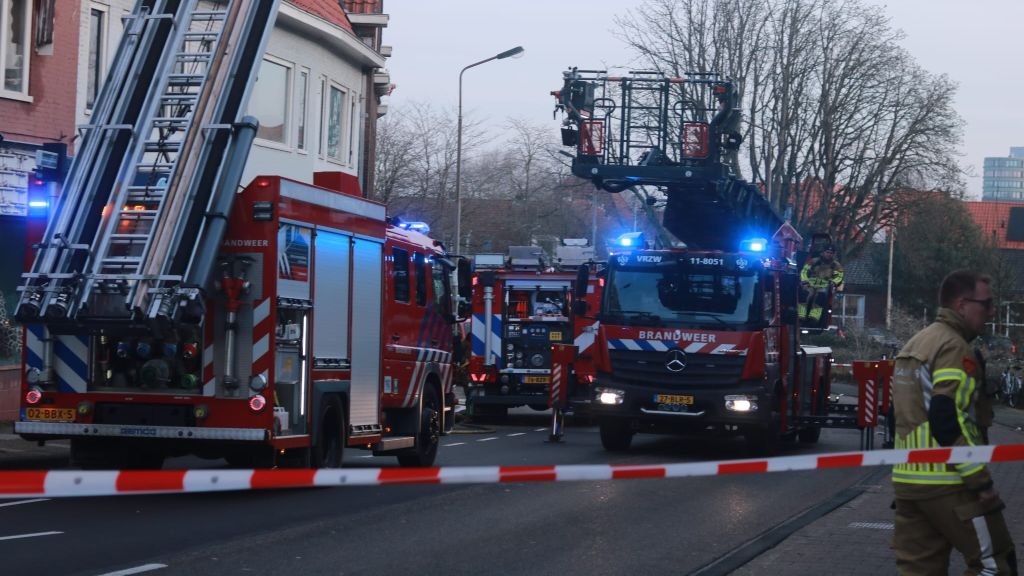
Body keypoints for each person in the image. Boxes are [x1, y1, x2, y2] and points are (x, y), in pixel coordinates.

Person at [891, 270, 1016, 575]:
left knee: (919, 570)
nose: (991, 312)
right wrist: (980, 482)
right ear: (962, 305)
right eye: (986, 305)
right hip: (949, 482)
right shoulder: (953, 347)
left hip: (909, 483)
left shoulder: (916, 344)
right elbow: (946, 417)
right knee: (996, 564)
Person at [798, 244, 844, 325]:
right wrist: (804, 280)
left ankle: (814, 318)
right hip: (810, 284)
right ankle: (801, 317)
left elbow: (839, 276)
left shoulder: (837, 265)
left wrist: (833, 282)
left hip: (824, 286)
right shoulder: (813, 261)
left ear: (833, 254)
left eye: (831, 253)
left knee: (820, 296)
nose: (829, 254)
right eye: (827, 252)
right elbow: (804, 271)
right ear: (823, 252)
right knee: (805, 294)